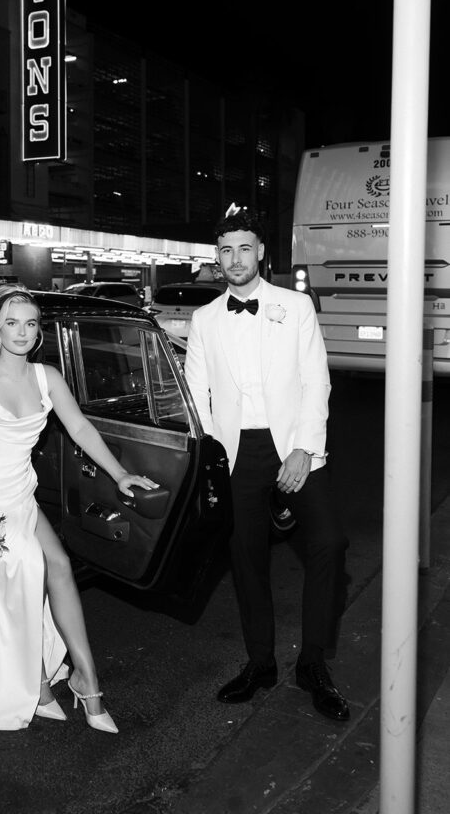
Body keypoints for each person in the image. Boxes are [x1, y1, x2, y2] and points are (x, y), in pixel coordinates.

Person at [0, 285, 158, 733]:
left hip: (20, 489)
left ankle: (86, 679)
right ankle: (36, 682)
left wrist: (120, 475)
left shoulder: (47, 377)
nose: (22, 332)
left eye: (31, 324)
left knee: (58, 565)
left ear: (39, 332)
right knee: (25, 573)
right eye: (11, 323)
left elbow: (80, 428)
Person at [184, 210, 349, 722]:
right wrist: (212, 457)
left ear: (260, 252)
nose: (235, 258)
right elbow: (196, 394)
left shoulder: (296, 306)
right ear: (217, 258)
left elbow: (316, 380)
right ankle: (261, 664)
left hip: (294, 445)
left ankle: (313, 664)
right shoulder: (204, 319)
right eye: (226, 250)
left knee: (328, 543)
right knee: (246, 557)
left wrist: (305, 448)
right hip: (236, 452)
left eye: (244, 248)